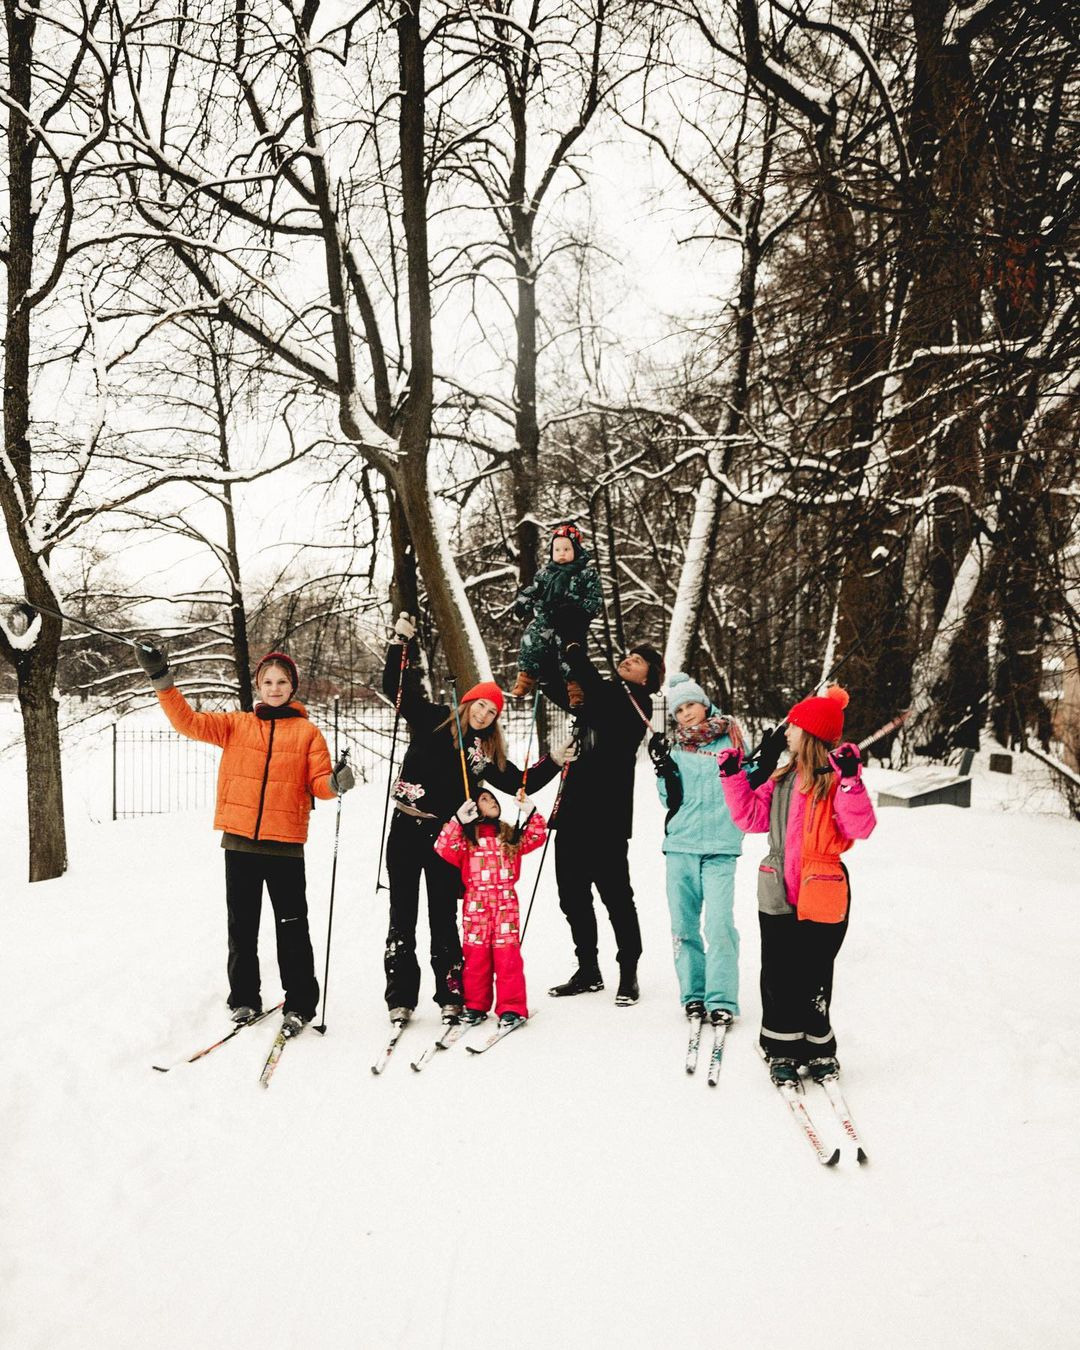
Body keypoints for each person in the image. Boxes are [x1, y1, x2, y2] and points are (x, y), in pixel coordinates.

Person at [134, 644, 352, 1037]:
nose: (274, 688)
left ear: (293, 687)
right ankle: (244, 999)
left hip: (285, 846)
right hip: (240, 845)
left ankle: (300, 1002)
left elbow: (319, 783)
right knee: (242, 927)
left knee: (292, 928)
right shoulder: (236, 725)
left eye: (281, 682)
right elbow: (188, 722)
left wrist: (335, 783)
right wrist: (160, 677)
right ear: (258, 685)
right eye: (267, 681)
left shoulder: (307, 733)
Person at [381, 615, 567, 1028]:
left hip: (446, 839)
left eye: (493, 710)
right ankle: (400, 996)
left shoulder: (482, 753)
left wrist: (555, 760)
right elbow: (396, 691)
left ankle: (450, 991)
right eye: (482, 704)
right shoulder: (431, 719)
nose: (485, 713)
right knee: (402, 914)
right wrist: (400, 644)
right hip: (406, 828)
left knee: (443, 914)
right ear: (468, 702)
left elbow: (520, 780)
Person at [717, 684, 876, 1084]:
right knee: (777, 972)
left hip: (822, 887)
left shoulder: (836, 779)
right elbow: (751, 819)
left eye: (793, 726)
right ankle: (782, 1047)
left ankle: (819, 1049)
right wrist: (735, 778)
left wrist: (850, 783)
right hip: (776, 887)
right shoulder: (783, 778)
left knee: (814, 973)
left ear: (810, 732)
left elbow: (860, 826)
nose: (786, 732)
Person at [543, 631, 665, 1006]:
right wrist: (547, 654)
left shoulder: (636, 703)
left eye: (638, 660)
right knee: (572, 896)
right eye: (627, 655)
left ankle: (628, 972)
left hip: (607, 818)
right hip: (574, 810)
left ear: (648, 677)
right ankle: (588, 969)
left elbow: (591, 686)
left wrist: (576, 648)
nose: (628, 660)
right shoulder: (601, 694)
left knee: (616, 897)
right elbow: (560, 690)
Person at [656, 672, 745, 1027]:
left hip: (722, 844)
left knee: (720, 924)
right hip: (681, 845)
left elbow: (747, 784)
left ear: (704, 703)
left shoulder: (732, 738)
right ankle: (693, 994)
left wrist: (761, 763)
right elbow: (668, 800)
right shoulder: (673, 747)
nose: (686, 714)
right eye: (679, 710)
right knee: (683, 925)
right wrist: (665, 771)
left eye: (691, 704)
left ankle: (721, 998)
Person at [433, 789, 547, 1028]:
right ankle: (475, 1005)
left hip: (505, 907)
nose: (492, 801)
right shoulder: (467, 838)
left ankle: (512, 1007)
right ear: (474, 809)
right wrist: (457, 821)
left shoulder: (508, 835)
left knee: (508, 959)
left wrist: (530, 810)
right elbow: (442, 847)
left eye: (493, 798)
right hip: (476, 907)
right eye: (484, 799)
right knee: (476, 959)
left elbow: (537, 835)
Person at [510, 522, 602, 706]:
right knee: (531, 639)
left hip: (571, 621)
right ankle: (525, 678)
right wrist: (522, 603)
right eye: (557, 549)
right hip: (546, 618)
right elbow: (533, 590)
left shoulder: (586, 574)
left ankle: (575, 688)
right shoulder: (545, 574)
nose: (561, 553)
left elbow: (595, 601)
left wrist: (577, 606)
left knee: (569, 652)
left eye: (566, 548)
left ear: (576, 550)